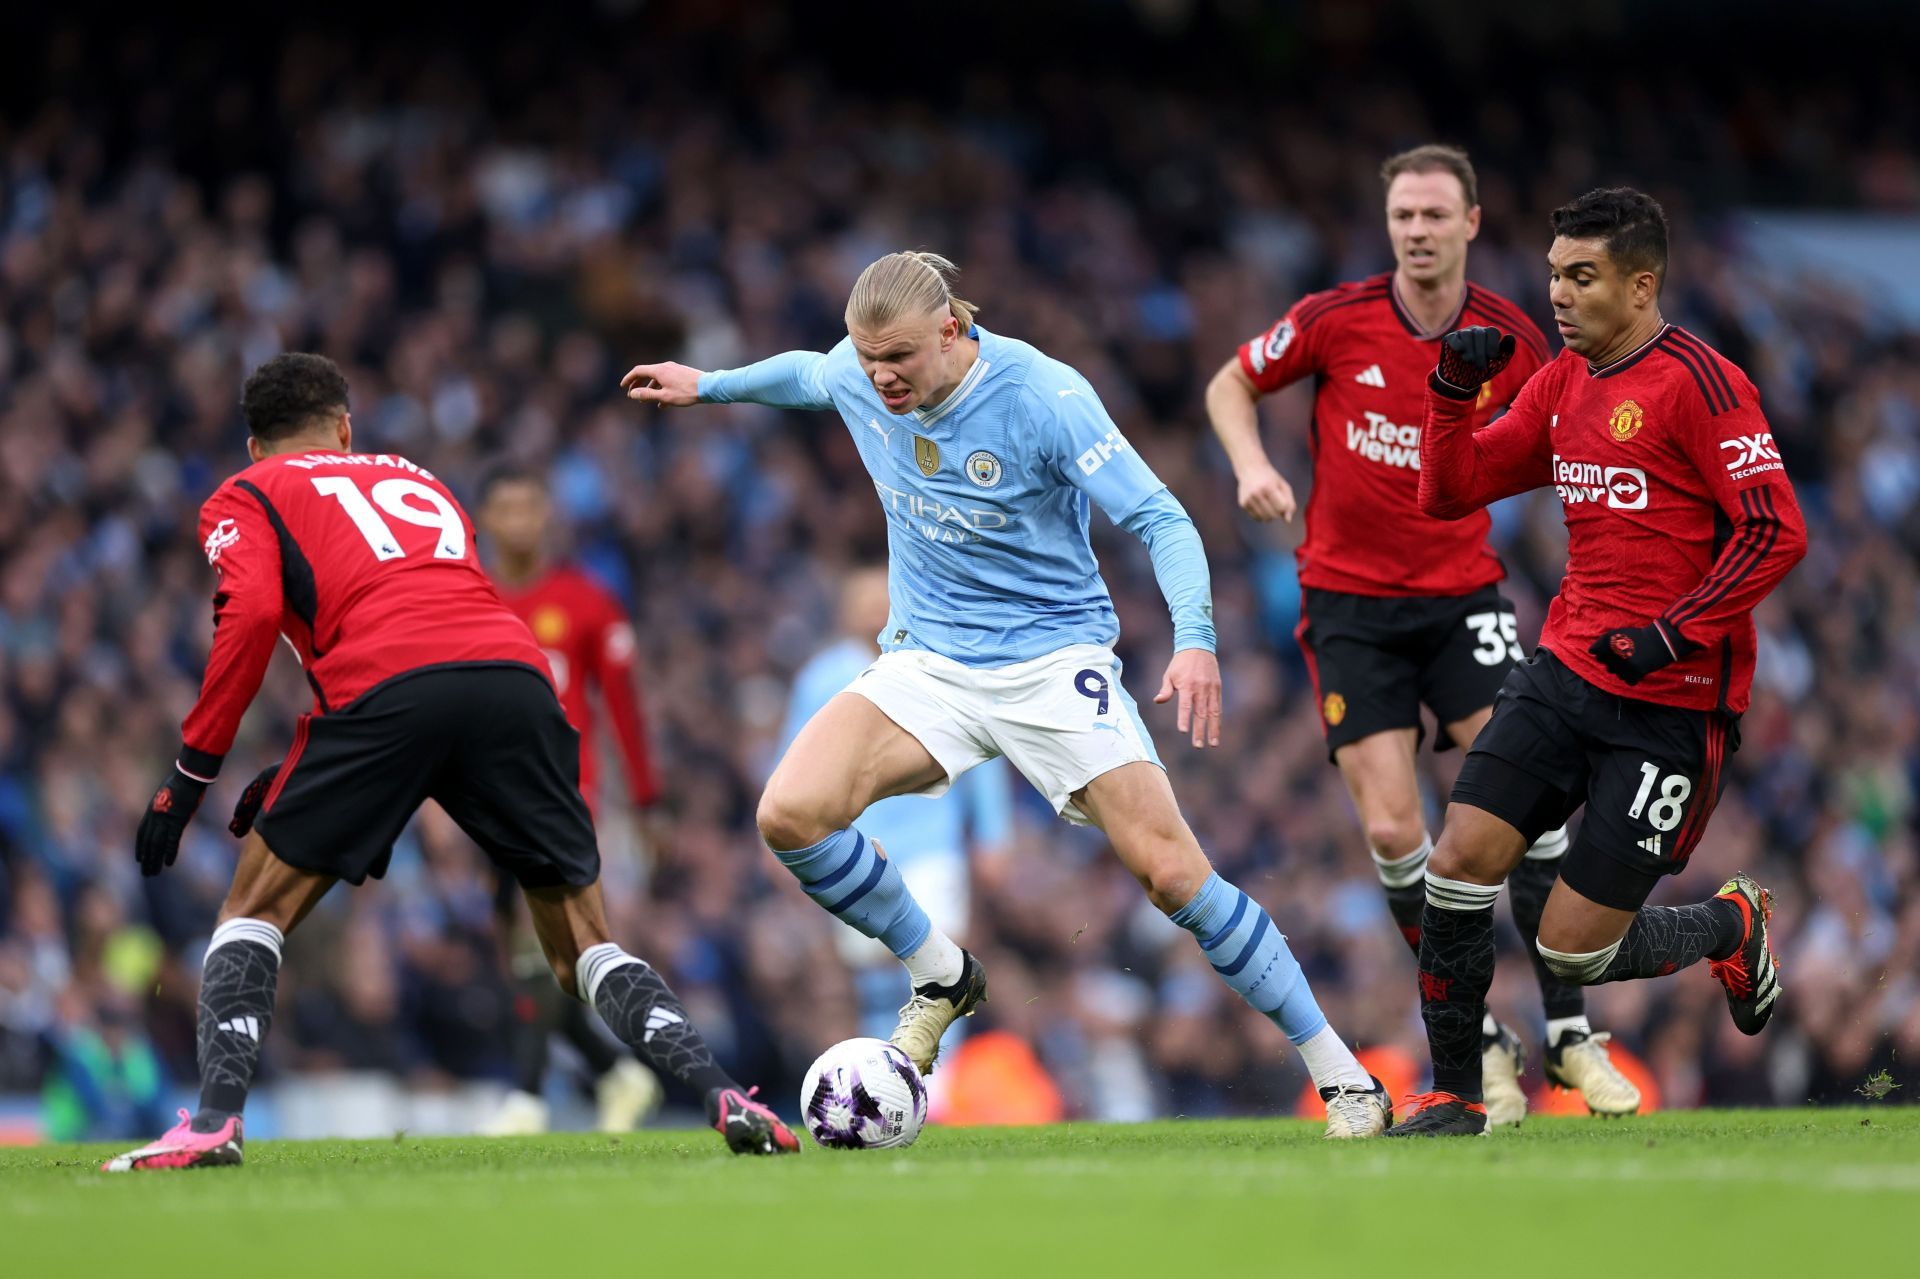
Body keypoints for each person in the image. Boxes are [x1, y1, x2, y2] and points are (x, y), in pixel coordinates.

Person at [622, 251, 1393, 1138]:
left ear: (952, 328)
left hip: (1050, 663)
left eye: (901, 356)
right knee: (789, 812)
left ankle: (1343, 1077)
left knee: (1174, 873)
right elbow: (806, 374)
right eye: (869, 357)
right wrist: (707, 385)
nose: (882, 377)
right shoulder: (861, 371)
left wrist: (1195, 640)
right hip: (931, 661)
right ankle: (942, 971)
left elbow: (1161, 517)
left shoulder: (1043, 396)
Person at [104, 353, 796, 1170]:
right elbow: (433, 611)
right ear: (346, 428)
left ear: (255, 446)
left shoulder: (247, 492)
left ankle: (216, 1121)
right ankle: (721, 1090)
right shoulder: (418, 477)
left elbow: (255, 614)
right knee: (583, 949)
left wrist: (192, 774)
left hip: (387, 691)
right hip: (515, 681)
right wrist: (316, 754)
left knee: (252, 909)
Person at [1204, 144, 1638, 1125]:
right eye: (1404, 214)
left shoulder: (1512, 337)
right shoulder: (1336, 319)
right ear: (1388, 221)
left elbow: (1575, 423)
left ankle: (1571, 1036)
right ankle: (1477, 1034)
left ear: (1472, 223)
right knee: (1399, 830)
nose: (1418, 229)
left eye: (1436, 214)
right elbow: (1230, 384)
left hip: (1463, 598)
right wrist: (1249, 466)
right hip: (1351, 605)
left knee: (1524, 804)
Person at [1387, 188, 1807, 1136]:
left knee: (1572, 951)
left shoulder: (1705, 384)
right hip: (1566, 671)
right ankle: (1455, 1091)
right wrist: (1451, 394)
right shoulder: (1564, 381)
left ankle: (1730, 927)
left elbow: (1777, 531)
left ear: (1642, 283)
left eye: (1582, 278)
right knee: (1456, 861)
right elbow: (1448, 492)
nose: (1560, 298)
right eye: (1553, 277)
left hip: (1673, 704)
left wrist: (1673, 631)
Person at [476, 466, 664, 1136]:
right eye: (507, 506)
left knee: (539, 943)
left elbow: (624, 709)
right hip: (485, 795)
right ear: (486, 520)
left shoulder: (586, 601)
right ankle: (617, 1073)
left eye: (532, 504)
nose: (521, 519)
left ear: (547, 514)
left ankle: (526, 1098)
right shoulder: (468, 596)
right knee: (544, 964)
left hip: (565, 792)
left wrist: (646, 802)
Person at [780, 567, 1013, 1045]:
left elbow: (981, 752)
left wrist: (994, 835)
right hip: (854, 842)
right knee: (871, 966)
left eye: (879, 601)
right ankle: (886, 1075)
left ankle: (935, 1083)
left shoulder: (938, 665)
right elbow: (789, 765)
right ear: (845, 615)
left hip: (933, 841)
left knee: (939, 957)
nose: (871, 613)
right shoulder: (822, 679)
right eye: (861, 603)